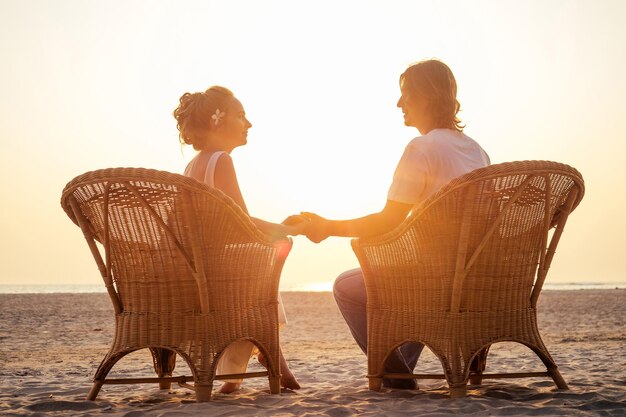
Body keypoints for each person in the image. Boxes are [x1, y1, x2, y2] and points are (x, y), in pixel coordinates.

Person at [293, 59, 490, 389]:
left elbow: (387, 221)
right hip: (474, 281)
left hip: (434, 281)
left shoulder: (422, 148)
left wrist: (328, 227)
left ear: (426, 96)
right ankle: (402, 369)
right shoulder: (477, 152)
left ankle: (396, 375)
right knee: (409, 288)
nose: (399, 103)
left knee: (346, 287)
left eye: (406, 94)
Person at [173, 85, 302, 393]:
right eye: (241, 115)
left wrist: (279, 227)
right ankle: (267, 360)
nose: (249, 123)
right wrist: (289, 229)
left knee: (257, 266)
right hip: (220, 279)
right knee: (266, 263)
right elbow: (242, 223)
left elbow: (224, 225)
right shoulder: (220, 160)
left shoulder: (193, 165)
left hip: (197, 273)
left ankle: (261, 365)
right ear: (218, 121)